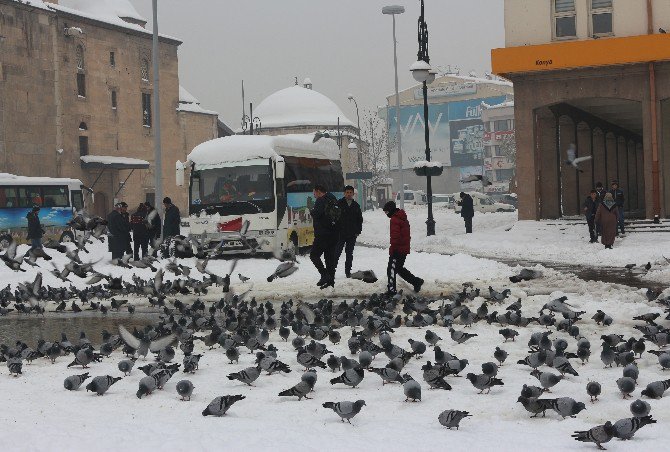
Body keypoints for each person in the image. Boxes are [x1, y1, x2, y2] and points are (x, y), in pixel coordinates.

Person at [383, 201, 423, 295]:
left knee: (391, 270)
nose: (386, 214)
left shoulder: (394, 219)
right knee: (399, 268)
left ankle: (391, 291)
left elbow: (395, 236)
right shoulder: (402, 217)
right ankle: (416, 281)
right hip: (403, 248)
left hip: (398, 249)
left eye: (386, 212)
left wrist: (394, 249)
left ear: (390, 210)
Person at [309, 184, 339, 288]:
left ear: (318, 191)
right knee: (329, 258)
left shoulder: (320, 200)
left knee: (314, 255)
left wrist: (311, 210)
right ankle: (331, 281)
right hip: (334, 234)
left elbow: (316, 214)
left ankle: (324, 274)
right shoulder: (333, 198)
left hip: (322, 235)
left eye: (314, 192)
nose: (314, 194)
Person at [334, 185, 363, 278]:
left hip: (352, 234)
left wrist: (358, 231)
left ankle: (348, 272)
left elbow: (359, 220)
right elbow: (334, 217)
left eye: (350, 192)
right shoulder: (338, 204)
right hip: (340, 233)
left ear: (353, 194)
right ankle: (331, 271)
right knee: (336, 253)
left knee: (349, 254)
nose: (349, 194)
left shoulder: (356, 205)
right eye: (347, 192)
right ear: (344, 193)